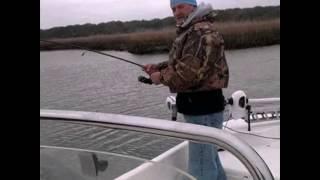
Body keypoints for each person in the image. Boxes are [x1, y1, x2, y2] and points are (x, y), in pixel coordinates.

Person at [143, 0, 229, 179]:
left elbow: (189, 74)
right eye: (173, 9)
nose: (176, 12)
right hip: (209, 103)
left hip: (200, 107)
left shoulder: (198, 33)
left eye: (180, 6)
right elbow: (186, 62)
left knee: (201, 164)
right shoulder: (197, 30)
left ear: (193, 6)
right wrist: (158, 66)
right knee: (210, 156)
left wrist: (160, 77)